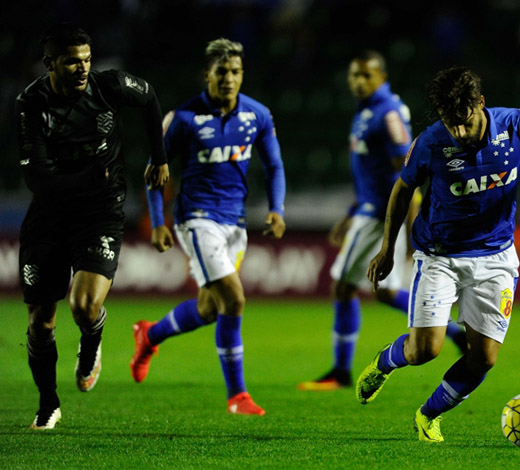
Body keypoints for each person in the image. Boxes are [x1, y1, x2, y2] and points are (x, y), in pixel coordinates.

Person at [356, 66, 520, 442]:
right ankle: (384, 363)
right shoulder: (431, 142)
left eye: (465, 121)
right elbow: (401, 190)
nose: (459, 131)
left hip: (496, 258)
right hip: (440, 255)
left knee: (483, 358)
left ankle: (428, 415)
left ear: (481, 104)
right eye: (450, 122)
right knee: (425, 350)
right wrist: (388, 248)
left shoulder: (516, 123)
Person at [16, 23, 169, 430]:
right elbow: (39, 180)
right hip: (49, 215)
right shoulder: (30, 104)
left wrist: (160, 157)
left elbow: (151, 98)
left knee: (83, 305)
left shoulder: (110, 86)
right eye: (72, 61)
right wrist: (87, 179)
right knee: (40, 321)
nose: (82, 68)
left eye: (86, 59)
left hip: (100, 212)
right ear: (50, 64)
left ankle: (91, 341)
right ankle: (48, 403)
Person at [130, 38, 286, 416]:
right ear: (207, 75)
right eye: (222, 72)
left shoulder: (258, 115)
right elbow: (155, 170)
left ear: (242, 74)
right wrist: (157, 221)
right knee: (234, 299)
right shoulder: (183, 118)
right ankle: (238, 396)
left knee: (209, 309)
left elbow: (275, 165)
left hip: (234, 222)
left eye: (235, 72)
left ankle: (149, 335)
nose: (229, 79)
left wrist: (276, 209)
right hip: (196, 219)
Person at [298, 51, 467, 392]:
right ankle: (452, 332)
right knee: (387, 291)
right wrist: (350, 213)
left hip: (378, 215)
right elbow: (370, 173)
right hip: (367, 210)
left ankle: (341, 371)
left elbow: (406, 175)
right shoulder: (367, 111)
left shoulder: (388, 113)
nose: (358, 82)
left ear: (381, 77)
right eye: (354, 75)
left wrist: (410, 226)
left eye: (365, 76)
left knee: (344, 287)